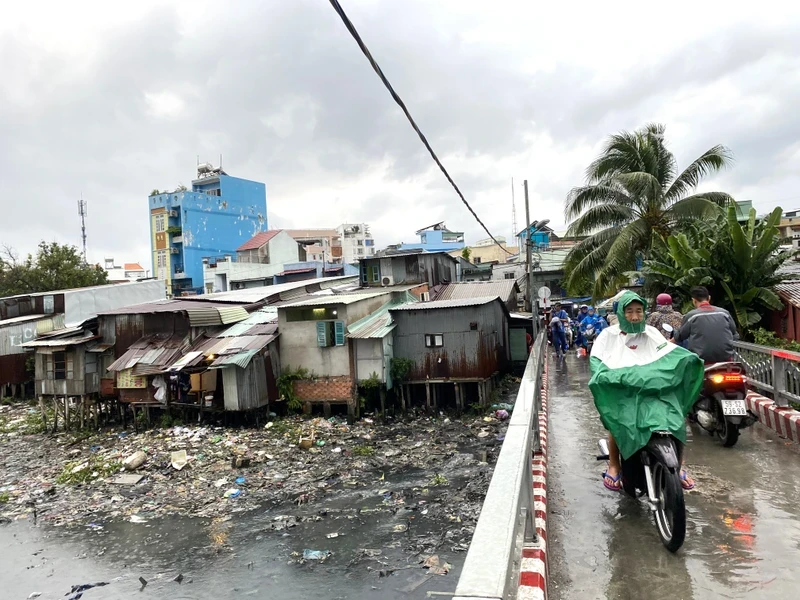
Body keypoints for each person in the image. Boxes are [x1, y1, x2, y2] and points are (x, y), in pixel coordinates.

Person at [590, 292, 700, 492]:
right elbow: (597, 361)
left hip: (652, 389)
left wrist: (687, 359)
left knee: (676, 418)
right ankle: (614, 465)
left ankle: (681, 466)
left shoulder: (651, 332)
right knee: (617, 421)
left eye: (639, 311)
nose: (634, 316)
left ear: (644, 312)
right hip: (624, 391)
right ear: (622, 314)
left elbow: (667, 352)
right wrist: (610, 377)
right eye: (629, 311)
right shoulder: (608, 335)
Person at [674, 286, 738, 363]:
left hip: (701, 360)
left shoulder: (692, 315)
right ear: (709, 298)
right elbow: (735, 334)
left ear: (694, 300)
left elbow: (679, 336)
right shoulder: (724, 313)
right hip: (725, 359)